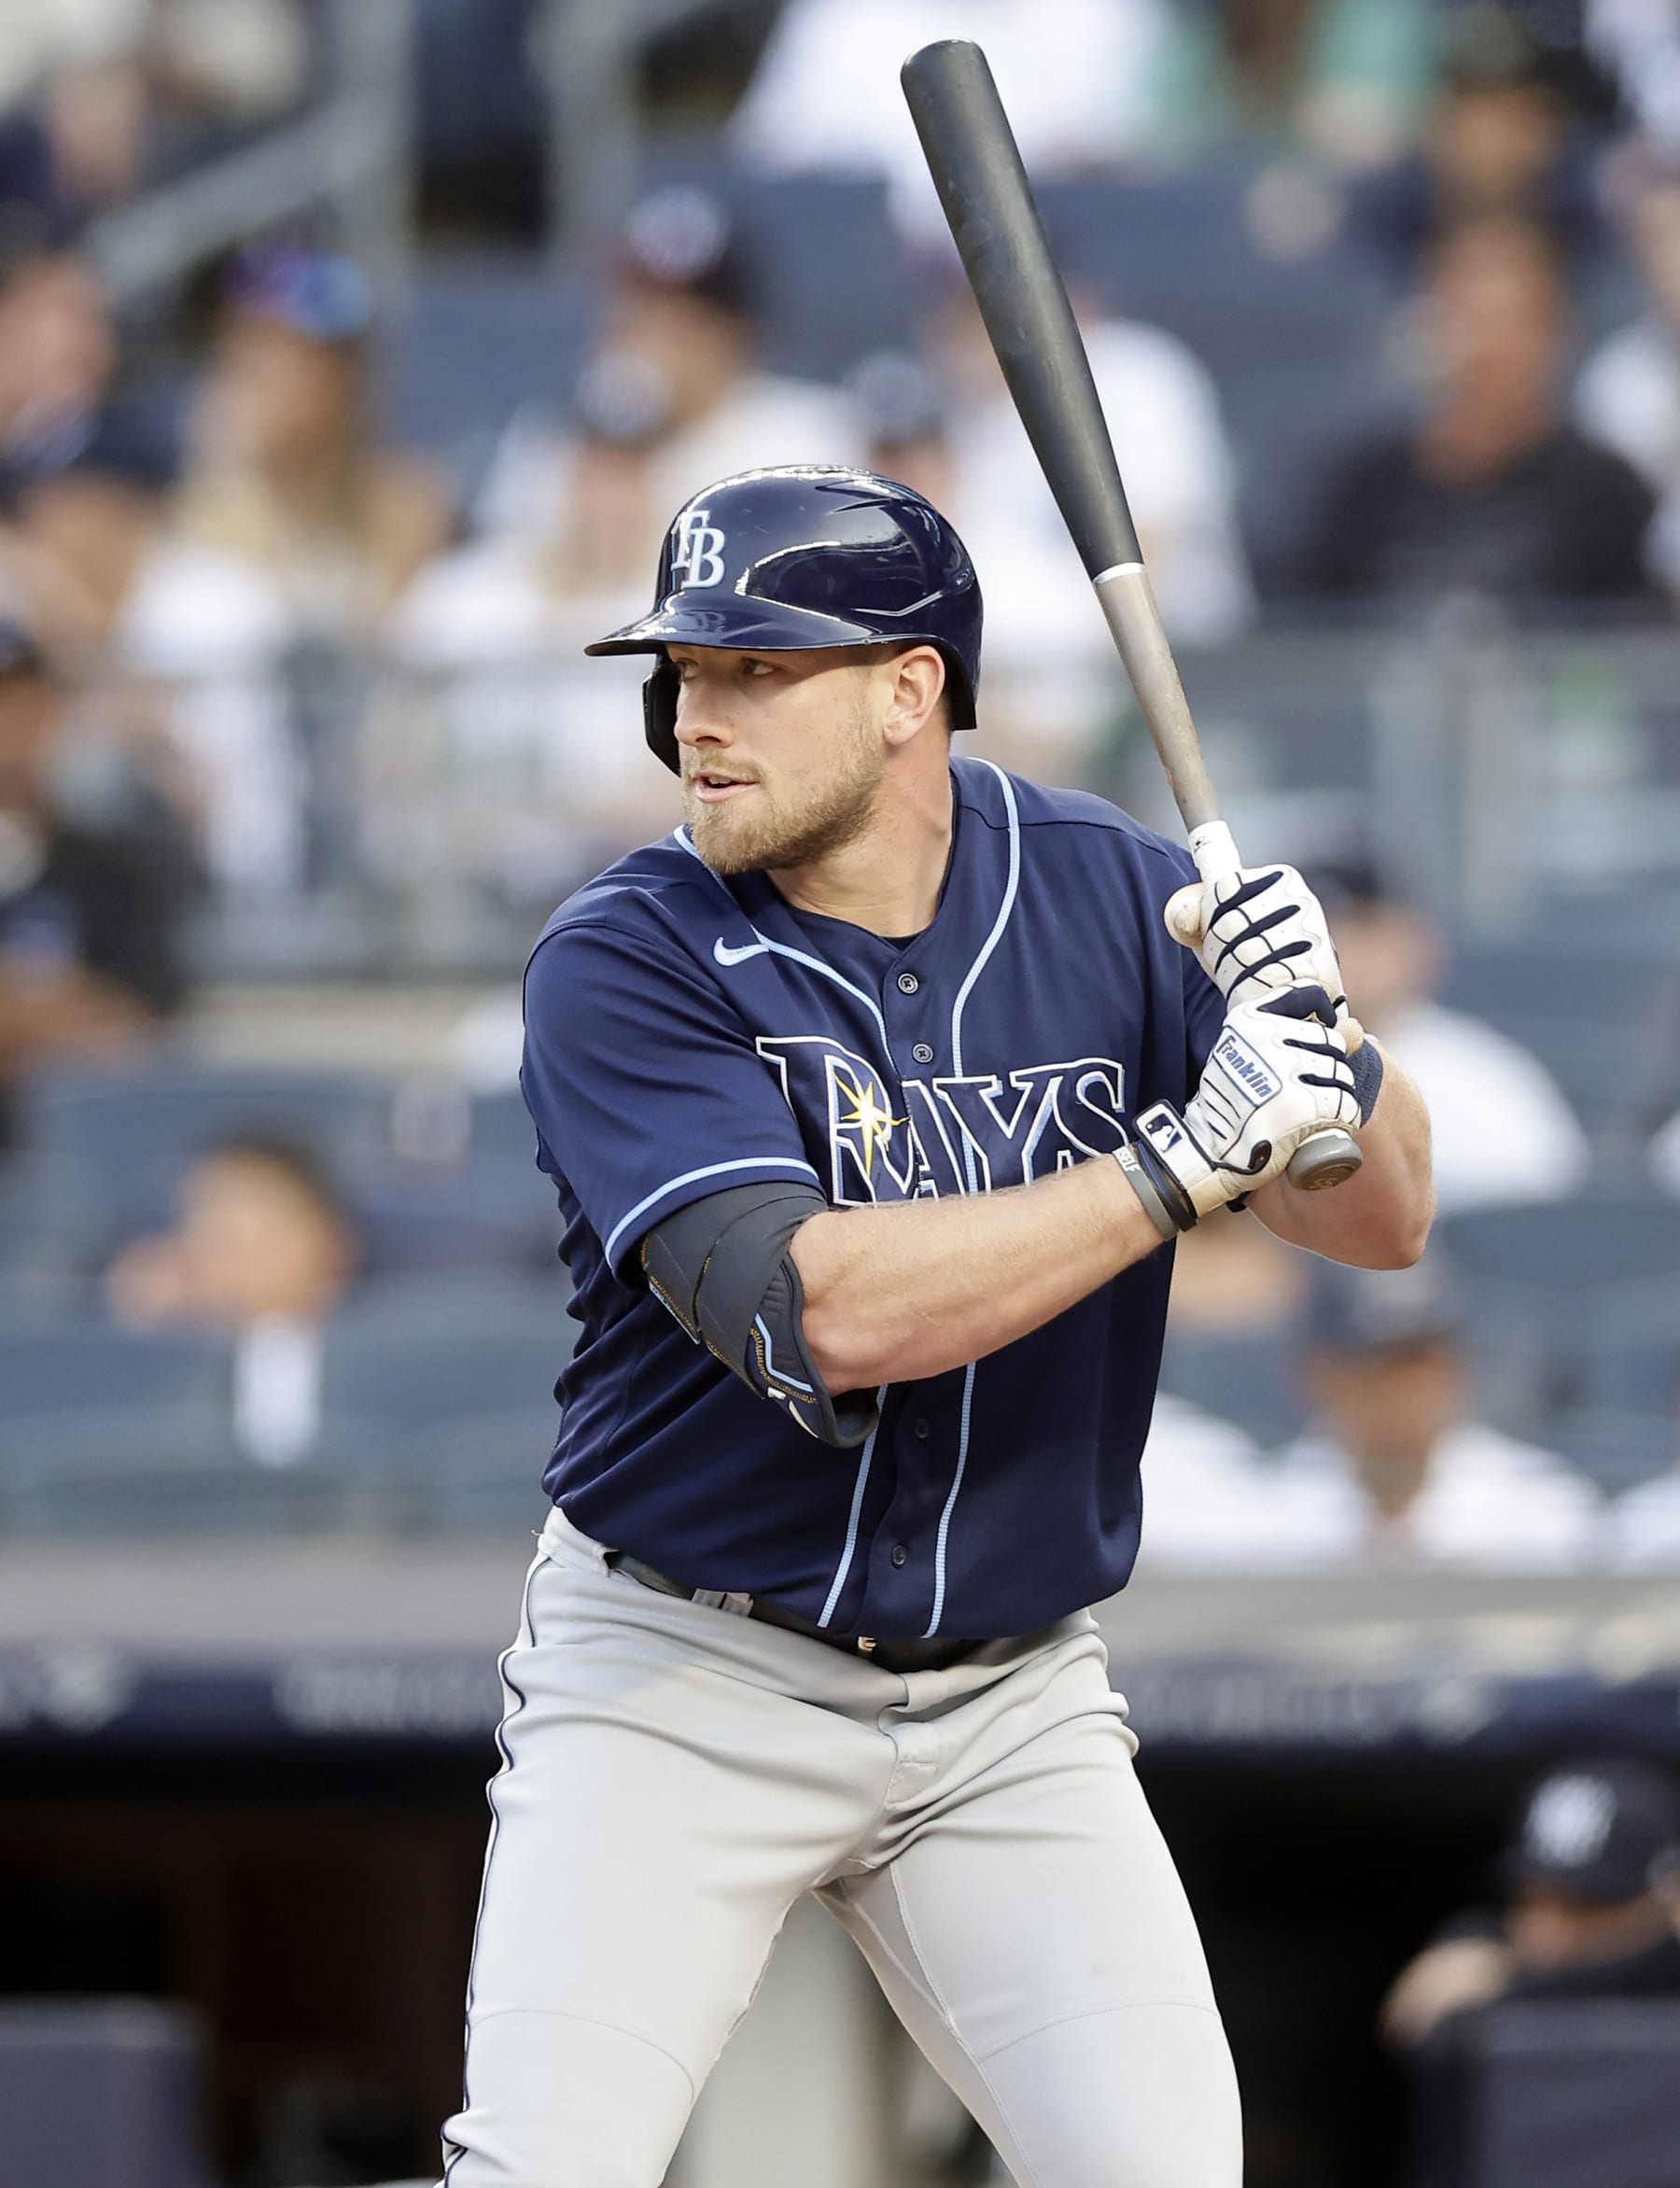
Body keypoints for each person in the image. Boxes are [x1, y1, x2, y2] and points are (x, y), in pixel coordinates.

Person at [438, 462, 1434, 2185]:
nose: (698, 716)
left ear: (911, 690)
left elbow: (1385, 1215)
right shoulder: (621, 955)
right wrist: (1186, 1157)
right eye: (683, 673)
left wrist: (1323, 1030)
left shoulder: (1109, 888)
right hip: (683, 1671)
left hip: (1006, 1696)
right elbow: (824, 1309)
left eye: (759, 668)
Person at [1302, 212, 1657, 603]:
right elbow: (1309, 642)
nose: (1488, 348)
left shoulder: (1605, 495)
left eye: (1510, 323)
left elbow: (1631, 649)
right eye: (1468, 317)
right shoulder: (1363, 490)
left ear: (1557, 333)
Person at [1382, 1756, 1680, 2188]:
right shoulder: (1477, 1953)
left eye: (1586, 1907)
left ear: (1664, 1897)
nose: (1548, 1934)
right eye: (1534, 1901)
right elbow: (1428, 2035)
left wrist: (1515, 1981)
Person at [174, 242, 453, 638]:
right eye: (245, 350)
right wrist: (229, 463)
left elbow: (386, 644)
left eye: (285, 352)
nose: (258, 374)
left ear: (345, 377)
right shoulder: (202, 507)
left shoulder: (407, 502)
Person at [1266, 1254, 1599, 1567]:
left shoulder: (1543, 1506)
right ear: (1319, 1374)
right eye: (1377, 1370)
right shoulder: (1256, 1513)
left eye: (1421, 1364)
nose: (1405, 1393)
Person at [0, 611, 191, 1150]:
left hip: (73, 1157)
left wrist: (26, 1014)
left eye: (21, 702)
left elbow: (144, 1034)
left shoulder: (115, 866)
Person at [1323, 868, 1589, 1212]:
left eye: (1359, 934)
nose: (1339, 953)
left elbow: (1533, 1231)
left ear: (1414, 944)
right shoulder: (1257, 1060)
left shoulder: (1471, 1079)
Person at [105, 1132, 360, 1466]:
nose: (218, 1250)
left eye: (250, 1226)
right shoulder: (159, 1362)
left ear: (330, 1247)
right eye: (205, 1225)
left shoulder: (369, 1370)